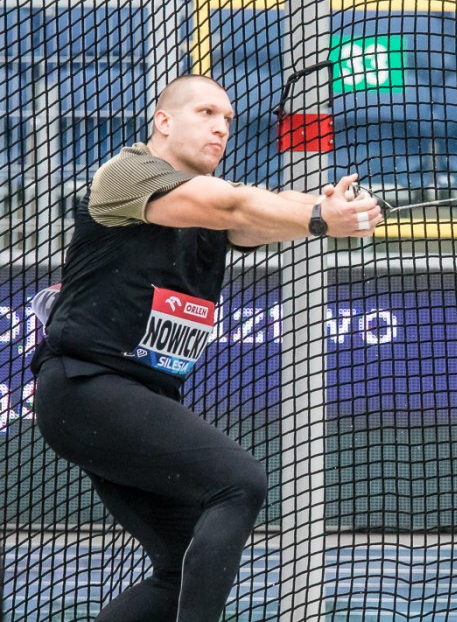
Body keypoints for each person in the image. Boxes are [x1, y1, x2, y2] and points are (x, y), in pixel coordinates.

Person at [30, 74, 383, 621]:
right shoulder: (126, 174)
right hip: (87, 387)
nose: (221, 127)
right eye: (206, 113)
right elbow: (234, 208)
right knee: (239, 482)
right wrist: (320, 218)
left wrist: (328, 206)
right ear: (163, 121)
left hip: (135, 400)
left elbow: (263, 210)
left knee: (178, 570)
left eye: (228, 120)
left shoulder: (209, 203)